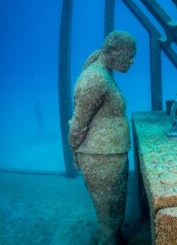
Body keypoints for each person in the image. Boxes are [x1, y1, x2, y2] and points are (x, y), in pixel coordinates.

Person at [68, 30, 137, 244]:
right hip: (101, 156)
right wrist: (75, 153)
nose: (132, 60)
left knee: (112, 215)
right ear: (113, 51)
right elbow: (77, 126)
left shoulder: (103, 74)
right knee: (109, 218)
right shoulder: (95, 80)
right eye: (130, 54)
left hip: (108, 154)